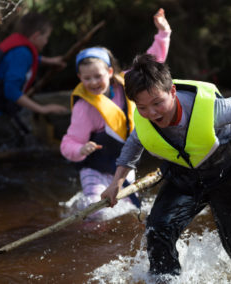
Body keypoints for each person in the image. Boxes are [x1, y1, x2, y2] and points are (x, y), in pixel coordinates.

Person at [101, 45, 231, 279]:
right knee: (158, 230)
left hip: (227, 174)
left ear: (172, 92)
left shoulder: (213, 110)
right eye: (143, 107)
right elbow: (132, 147)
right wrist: (116, 182)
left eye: (157, 103)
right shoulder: (145, 118)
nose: (152, 113)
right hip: (184, 177)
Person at [60, 8, 171, 219]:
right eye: (87, 78)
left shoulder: (126, 83)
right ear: (79, 78)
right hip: (95, 168)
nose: (93, 83)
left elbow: (152, 61)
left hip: (123, 166)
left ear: (110, 72)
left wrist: (163, 34)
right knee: (96, 214)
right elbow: (68, 143)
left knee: (133, 214)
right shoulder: (85, 107)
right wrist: (81, 149)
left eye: (97, 76)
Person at [0, 12, 67, 148]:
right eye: (46, 37)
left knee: (19, 136)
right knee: (13, 143)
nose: (46, 41)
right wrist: (43, 109)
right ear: (36, 36)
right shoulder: (21, 53)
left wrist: (49, 61)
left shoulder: (19, 45)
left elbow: (19, 61)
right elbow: (11, 92)